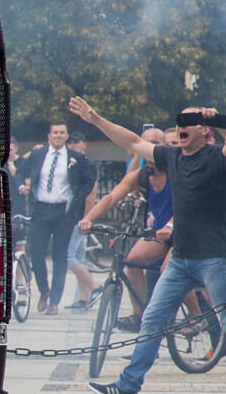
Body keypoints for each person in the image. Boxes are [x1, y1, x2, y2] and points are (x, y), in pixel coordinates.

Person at [74, 97, 226, 394]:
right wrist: (96, 119)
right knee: (153, 319)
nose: (182, 127)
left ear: (203, 130)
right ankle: (128, 387)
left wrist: (217, 119)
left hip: (215, 258)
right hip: (181, 258)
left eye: (189, 123)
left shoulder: (218, 156)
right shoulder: (171, 157)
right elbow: (132, 142)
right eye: (179, 122)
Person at [79, 145, 173, 331]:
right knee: (133, 260)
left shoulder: (178, 173)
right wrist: (88, 218)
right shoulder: (141, 176)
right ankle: (138, 316)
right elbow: (111, 197)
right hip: (158, 232)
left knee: (170, 272)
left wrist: (171, 225)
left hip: (183, 230)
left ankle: (195, 315)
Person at [17, 122, 94, 315]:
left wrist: (78, 197)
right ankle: (44, 291)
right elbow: (20, 171)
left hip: (64, 212)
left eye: (62, 132)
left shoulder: (76, 157)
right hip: (41, 210)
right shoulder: (38, 154)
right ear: (49, 136)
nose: (58, 135)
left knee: (60, 257)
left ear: (66, 136)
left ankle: (54, 301)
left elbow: (89, 179)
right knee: (37, 255)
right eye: (55, 132)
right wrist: (21, 187)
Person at [61, 132, 99, 310]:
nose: (74, 145)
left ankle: (95, 287)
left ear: (84, 144)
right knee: (78, 257)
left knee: (69, 257)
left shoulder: (86, 164)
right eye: (71, 143)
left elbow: (91, 194)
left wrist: (87, 218)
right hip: (77, 215)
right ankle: (84, 297)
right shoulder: (70, 163)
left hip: (80, 216)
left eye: (77, 142)